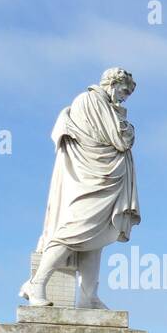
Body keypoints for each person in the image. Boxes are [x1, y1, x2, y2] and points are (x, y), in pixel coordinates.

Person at [20, 68, 140, 308]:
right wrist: (124, 126)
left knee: (97, 237)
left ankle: (88, 297)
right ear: (112, 83)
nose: (124, 97)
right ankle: (36, 283)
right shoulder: (89, 100)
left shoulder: (109, 108)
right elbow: (118, 139)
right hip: (88, 177)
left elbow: (121, 139)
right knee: (74, 229)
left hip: (108, 180)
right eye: (124, 90)